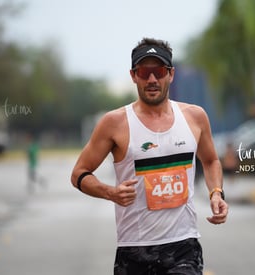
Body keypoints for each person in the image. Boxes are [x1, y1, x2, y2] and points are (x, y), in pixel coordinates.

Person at [71, 37, 228, 275]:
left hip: (183, 247)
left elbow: (211, 160)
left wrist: (216, 193)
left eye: (159, 71)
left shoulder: (195, 117)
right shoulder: (114, 123)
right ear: (134, 75)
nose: (152, 79)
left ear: (171, 74)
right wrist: (111, 193)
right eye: (145, 72)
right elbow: (79, 174)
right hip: (134, 249)